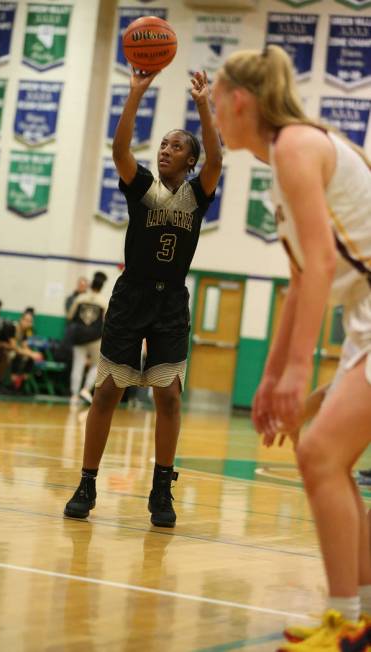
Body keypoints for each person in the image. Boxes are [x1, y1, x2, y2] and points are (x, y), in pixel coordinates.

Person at [211, 44, 371, 649]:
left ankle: (345, 619)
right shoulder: (285, 158)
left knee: (320, 455)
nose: (213, 115)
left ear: (240, 101)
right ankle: (357, 617)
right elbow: (301, 280)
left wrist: (298, 370)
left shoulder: (299, 146)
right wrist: (270, 375)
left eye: (217, 101)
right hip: (364, 319)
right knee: (326, 454)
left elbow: (325, 261)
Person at [64, 69, 222, 528]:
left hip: (171, 302)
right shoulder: (144, 188)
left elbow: (217, 157)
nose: (165, 150)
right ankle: (87, 481)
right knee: (109, 389)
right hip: (131, 296)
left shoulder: (197, 194)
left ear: (190, 161)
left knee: (168, 396)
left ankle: (161, 488)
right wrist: (136, 92)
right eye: (164, 145)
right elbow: (119, 150)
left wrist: (203, 106)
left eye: (176, 147)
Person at [67, 270, 108, 405]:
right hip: (95, 338)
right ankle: (86, 389)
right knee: (98, 365)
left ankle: (74, 395)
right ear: (102, 286)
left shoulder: (80, 298)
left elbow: (70, 316)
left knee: (77, 365)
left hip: (79, 336)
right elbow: (106, 321)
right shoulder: (103, 301)